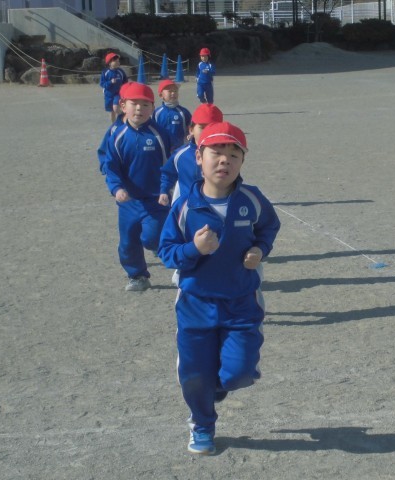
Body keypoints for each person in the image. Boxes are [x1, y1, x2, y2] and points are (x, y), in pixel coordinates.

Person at [158, 122, 281, 455]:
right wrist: (194, 249)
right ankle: (202, 425)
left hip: (241, 303)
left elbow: (269, 227)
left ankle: (219, 386)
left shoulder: (252, 200)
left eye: (233, 155)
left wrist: (260, 249)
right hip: (195, 305)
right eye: (216, 153)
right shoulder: (185, 206)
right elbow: (167, 252)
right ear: (199, 157)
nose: (225, 160)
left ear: (242, 161)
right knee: (195, 375)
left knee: (238, 374)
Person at [98, 82, 171, 292]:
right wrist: (117, 188)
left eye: (145, 104)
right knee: (128, 242)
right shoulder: (117, 135)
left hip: (156, 200)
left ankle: (174, 251)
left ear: (153, 108)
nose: (139, 108)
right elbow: (111, 166)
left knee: (151, 238)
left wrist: (166, 189)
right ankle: (137, 275)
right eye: (134, 104)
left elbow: (169, 165)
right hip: (129, 201)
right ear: (123, 106)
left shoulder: (159, 135)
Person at [159, 103, 224, 207]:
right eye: (202, 127)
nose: (207, 132)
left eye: (212, 128)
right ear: (191, 129)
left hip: (216, 207)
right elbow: (167, 173)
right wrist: (164, 190)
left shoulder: (225, 155)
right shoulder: (180, 155)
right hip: (187, 208)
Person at [154, 79, 192, 152]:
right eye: (170, 91)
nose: (173, 93)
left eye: (175, 91)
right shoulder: (157, 113)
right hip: (162, 149)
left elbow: (191, 127)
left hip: (180, 148)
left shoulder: (183, 112)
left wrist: (190, 134)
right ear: (161, 95)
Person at [100, 52, 128, 123]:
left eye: (118, 61)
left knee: (116, 108)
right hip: (108, 95)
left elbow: (125, 82)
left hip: (118, 94)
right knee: (112, 112)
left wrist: (125, 89)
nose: (118, 62)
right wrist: (110, 82)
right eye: (116, 61)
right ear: (109, 63)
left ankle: (126, 118)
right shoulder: (105, 72)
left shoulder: (120, 71)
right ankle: (114, 125)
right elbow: (102, 84)